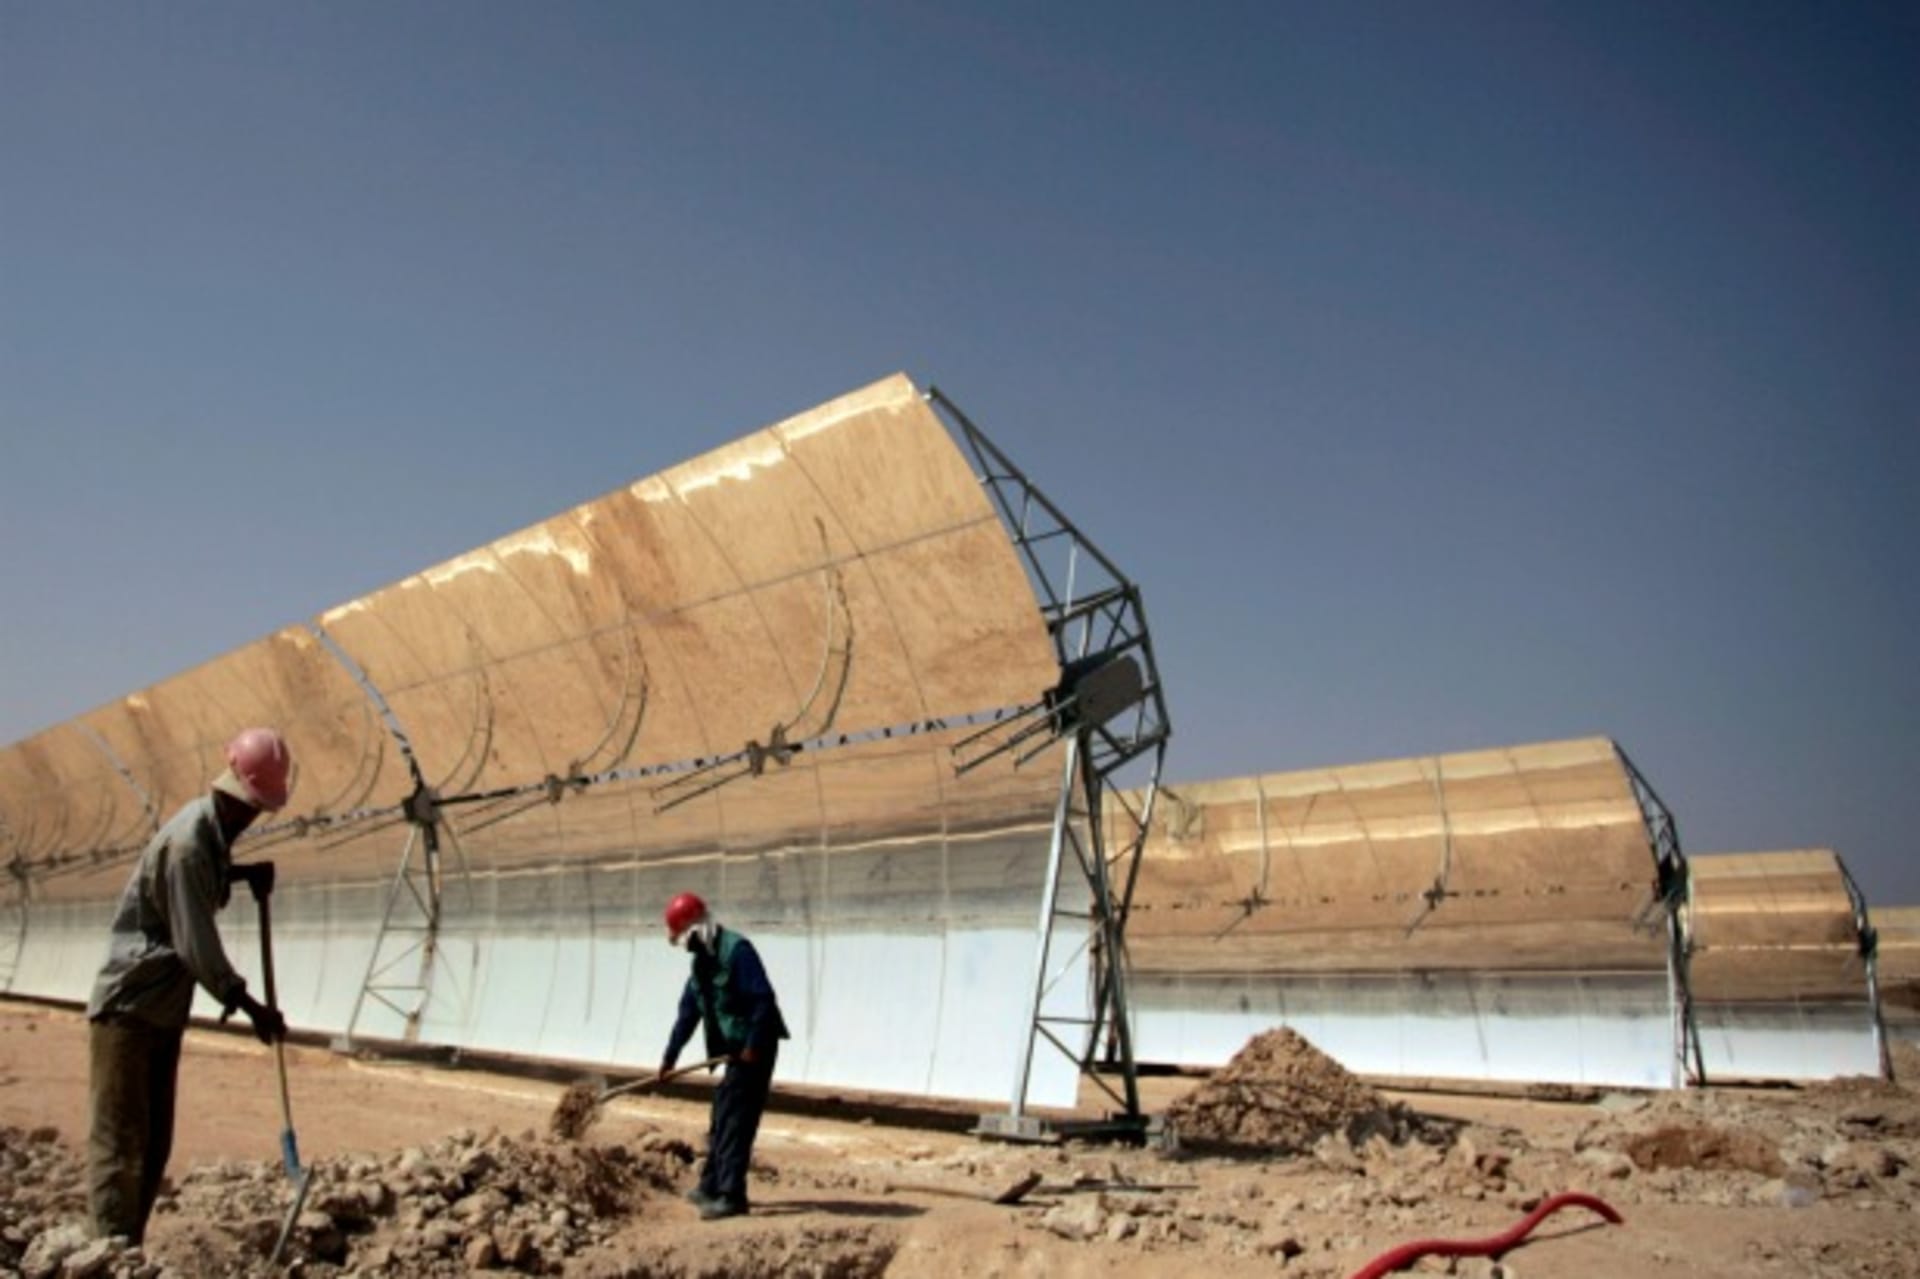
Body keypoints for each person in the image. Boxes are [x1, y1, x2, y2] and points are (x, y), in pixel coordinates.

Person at [84, 727, 294, 1243]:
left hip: (161, 1011)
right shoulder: (188, 844)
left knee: (154, 1142)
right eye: (253, 809)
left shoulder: (211, 835)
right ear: (237, 797)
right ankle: (107, 1255)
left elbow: (205, 880)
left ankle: (127, 1245)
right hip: (129, 1010)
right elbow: (195, 944)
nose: (253, 819)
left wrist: (243, 875)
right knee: (120, 1142)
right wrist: (251, 1008)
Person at [659, 891, 789, 1221]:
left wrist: (752, 1046)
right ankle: (710, 1185)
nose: (683, 948)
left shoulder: (738, 951)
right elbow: (688, 1013)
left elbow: (763, 1001)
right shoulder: (701, 964)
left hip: (755, 1049)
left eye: (683, 940)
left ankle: (733, 1195)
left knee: (736, 1121)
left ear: (695, 930)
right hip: (735, 1051)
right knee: (721, 1114)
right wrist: (670, 1057)